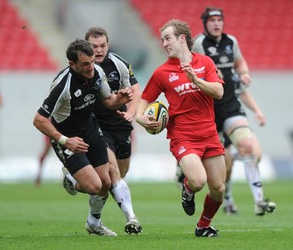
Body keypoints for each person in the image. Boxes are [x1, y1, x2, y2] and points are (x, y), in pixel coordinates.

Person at [33, 39, 133, 237]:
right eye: (85, 64)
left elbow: (108, 100)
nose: (90, 68)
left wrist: (121, 99)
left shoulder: (97, 72)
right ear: (72, 64)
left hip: (90, 129)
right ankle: (71, 178)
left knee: (105, 182)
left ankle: (94, 223)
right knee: (94, 186)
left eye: (92, 62)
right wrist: (64, 140)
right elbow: (39, 120)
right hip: (68, 137)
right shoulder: (63, 85)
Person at [136, 19, 226, 237]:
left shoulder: (205, 63)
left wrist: (196, 80)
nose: (164, 43)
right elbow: (145, 99)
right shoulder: (162, 72)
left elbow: (219, 92)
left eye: (168, 38)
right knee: (197, 181)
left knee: (219, 189)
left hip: (209, 134)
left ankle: (203, 226)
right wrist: (140, 117)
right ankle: (187, 190)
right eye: (162, 40)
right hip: (183, 137)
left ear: (182, 38)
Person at [191, 7, 276, 216]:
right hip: (209, 108)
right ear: (205, 23)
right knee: (224, 162)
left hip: (230, 105)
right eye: (212, 20)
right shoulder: (200, 44)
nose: (217, 23)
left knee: (248, 146)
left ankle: (259, 201)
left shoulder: (231, 42)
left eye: (220, 19)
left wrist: (244, 73)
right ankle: (226, 199)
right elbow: (192, 70)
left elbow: (240, 63)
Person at [84, 27, 142, 234]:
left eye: (102, 46)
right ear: (86, 47)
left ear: (108, 45)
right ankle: (132, 218)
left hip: (120, 125)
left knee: (116, 177)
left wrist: (131, 113)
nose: (98, 50)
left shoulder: (119, 64)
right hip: (96, 126)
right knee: (113, 173)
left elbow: (135, 90)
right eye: (94, 46)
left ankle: (93, 221)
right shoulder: (82, 68)